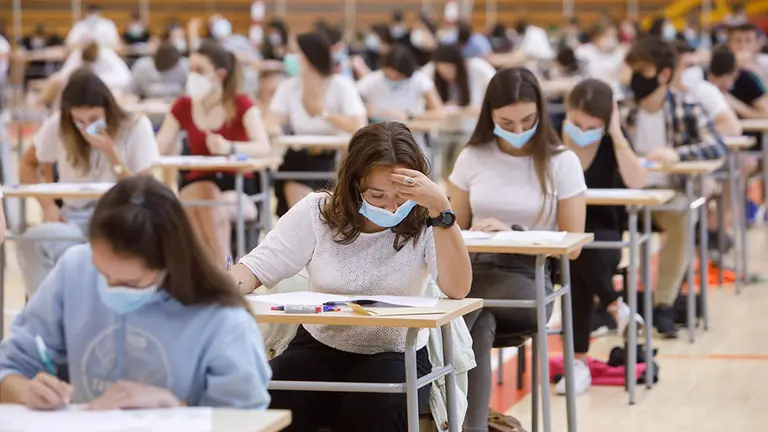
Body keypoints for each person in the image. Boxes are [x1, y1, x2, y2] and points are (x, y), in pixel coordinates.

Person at [229, 121, 471, 431]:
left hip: (396, 352)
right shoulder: (318, 212)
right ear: (354, 184)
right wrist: (226, 286)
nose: (391, 206)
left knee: (375, 402)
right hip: (321, 345)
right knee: (268, 390)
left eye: (402, 197)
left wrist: (441, 208)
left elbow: (458, 289)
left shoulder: (427, 220)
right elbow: (256, 268)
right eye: (377, 195)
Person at [0, 176, 271, 410]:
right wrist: (25, 391)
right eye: (102, 273)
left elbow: (243, 417)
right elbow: (9, 366)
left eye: (131, 283)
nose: (110, 289)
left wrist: (176, 408)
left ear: (169, 264)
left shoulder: (222, 318)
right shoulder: (76, 269)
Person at [447, 67, 586, 430]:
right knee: (478, 319)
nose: (519, 131)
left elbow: (572, 246)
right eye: (506, 123)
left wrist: (514, 233)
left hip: (529, 278)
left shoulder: (562, 162)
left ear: (540, 112)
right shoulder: (472, 157)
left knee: (467, 314)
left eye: (528, 120)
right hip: (476, 271)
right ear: (489, 115)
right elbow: (452, 230)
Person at [17, 70, 160, 298]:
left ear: (107, 109)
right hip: (74, 217)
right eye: (79, 121)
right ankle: (45, 313)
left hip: (119, 218)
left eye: (93, 119)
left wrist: (111, 153)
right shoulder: (59, 125)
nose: (85, 127)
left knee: (103, 256)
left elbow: (145, 191)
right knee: (32, 242)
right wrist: (47, 205)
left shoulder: (134, 127)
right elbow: (28, 163)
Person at [622, 36, 727, 338]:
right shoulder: (622, 109)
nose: (635, 79)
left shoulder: (687, 108)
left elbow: (717, 147)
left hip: (670, 197)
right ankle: (611, 306)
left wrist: (678, 154)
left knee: (686, 213)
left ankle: (663, 304)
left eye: (642, 70)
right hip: (628, 197)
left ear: (663, 74)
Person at [561, 79, 647, 395]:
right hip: (559, 231)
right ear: (568, 112)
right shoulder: (552, 137)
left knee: (581, 255)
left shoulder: (613, 142)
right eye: (577, 122)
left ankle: (579, 363)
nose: (582, 130)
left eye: (592, 126)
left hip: (604, 233)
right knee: (575, 250)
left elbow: (637, 181)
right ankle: (615, 306)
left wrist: (616, 132)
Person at [155, 41, 270, 265]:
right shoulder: (183, 106)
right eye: (191, 70)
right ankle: (224, 271)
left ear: (219, 75)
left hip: (236, 186)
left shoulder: (241, 103)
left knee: (208, 206)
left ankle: (215, 271)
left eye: (200, 71)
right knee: (204, 195)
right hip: (197, 182)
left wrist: (230, 147)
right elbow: (158, 147)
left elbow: (263, 146)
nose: (193, 76)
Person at [267, 32, 367, 216]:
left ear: (308, 57)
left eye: (294, 52)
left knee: (328, 211)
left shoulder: (341, 85)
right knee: (303, 212)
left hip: (334, 159)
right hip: (299, 158)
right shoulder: (290, 87)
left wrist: (324, 113)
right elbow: (271, 121)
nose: (289, 57)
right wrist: (276, 132)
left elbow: (360, 126)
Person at [357, 45, 444, 122]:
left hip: (410, 132)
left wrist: (409, 116)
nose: (392, 78)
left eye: (398, 76)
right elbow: (352, 99)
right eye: (388, 74)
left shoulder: (419, 80)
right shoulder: (373, 79)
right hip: (379, 131)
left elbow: (439, 113)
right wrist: (366, 110)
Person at [673, 41, 742, 136]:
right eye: (689, 66)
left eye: (695, 65)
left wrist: (695, 136)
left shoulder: (705, 90)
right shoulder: (658, 94)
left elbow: (732, 127)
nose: (694, 71)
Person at [575, 23, 627, 99]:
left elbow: (626, 78)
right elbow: (576, 75)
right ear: (596, 36)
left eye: (613, 36)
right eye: (606, 35)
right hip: (589, 95)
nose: (610, 39)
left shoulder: (620, 53)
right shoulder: (583, 51)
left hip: (614, 95)